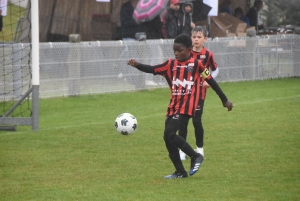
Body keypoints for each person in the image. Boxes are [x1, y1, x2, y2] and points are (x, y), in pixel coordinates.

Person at [127, 34, 233, 179]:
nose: (176, 53)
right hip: (173, 106)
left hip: (188, 106)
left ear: (189, 50)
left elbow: (211, 81)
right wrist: (137, 65)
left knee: (170, 133)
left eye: (180, 50)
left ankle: (196, 156)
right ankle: (180, 172)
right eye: (174, 50)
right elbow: (152, 69)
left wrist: (224, 100)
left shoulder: (197, 64)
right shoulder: (170, 64)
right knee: (167, 138)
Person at [178, 26, 219, 160]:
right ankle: (182, 150)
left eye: (199, 37)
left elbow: (215, 70)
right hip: (185, 93)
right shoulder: (186, 53)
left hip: (199, 93)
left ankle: (200, 149)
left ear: (205, 39)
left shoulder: (208, 55)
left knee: (196, 121)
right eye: (194, 37)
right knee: (182, 122)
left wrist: (209, 80)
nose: (196, 40)